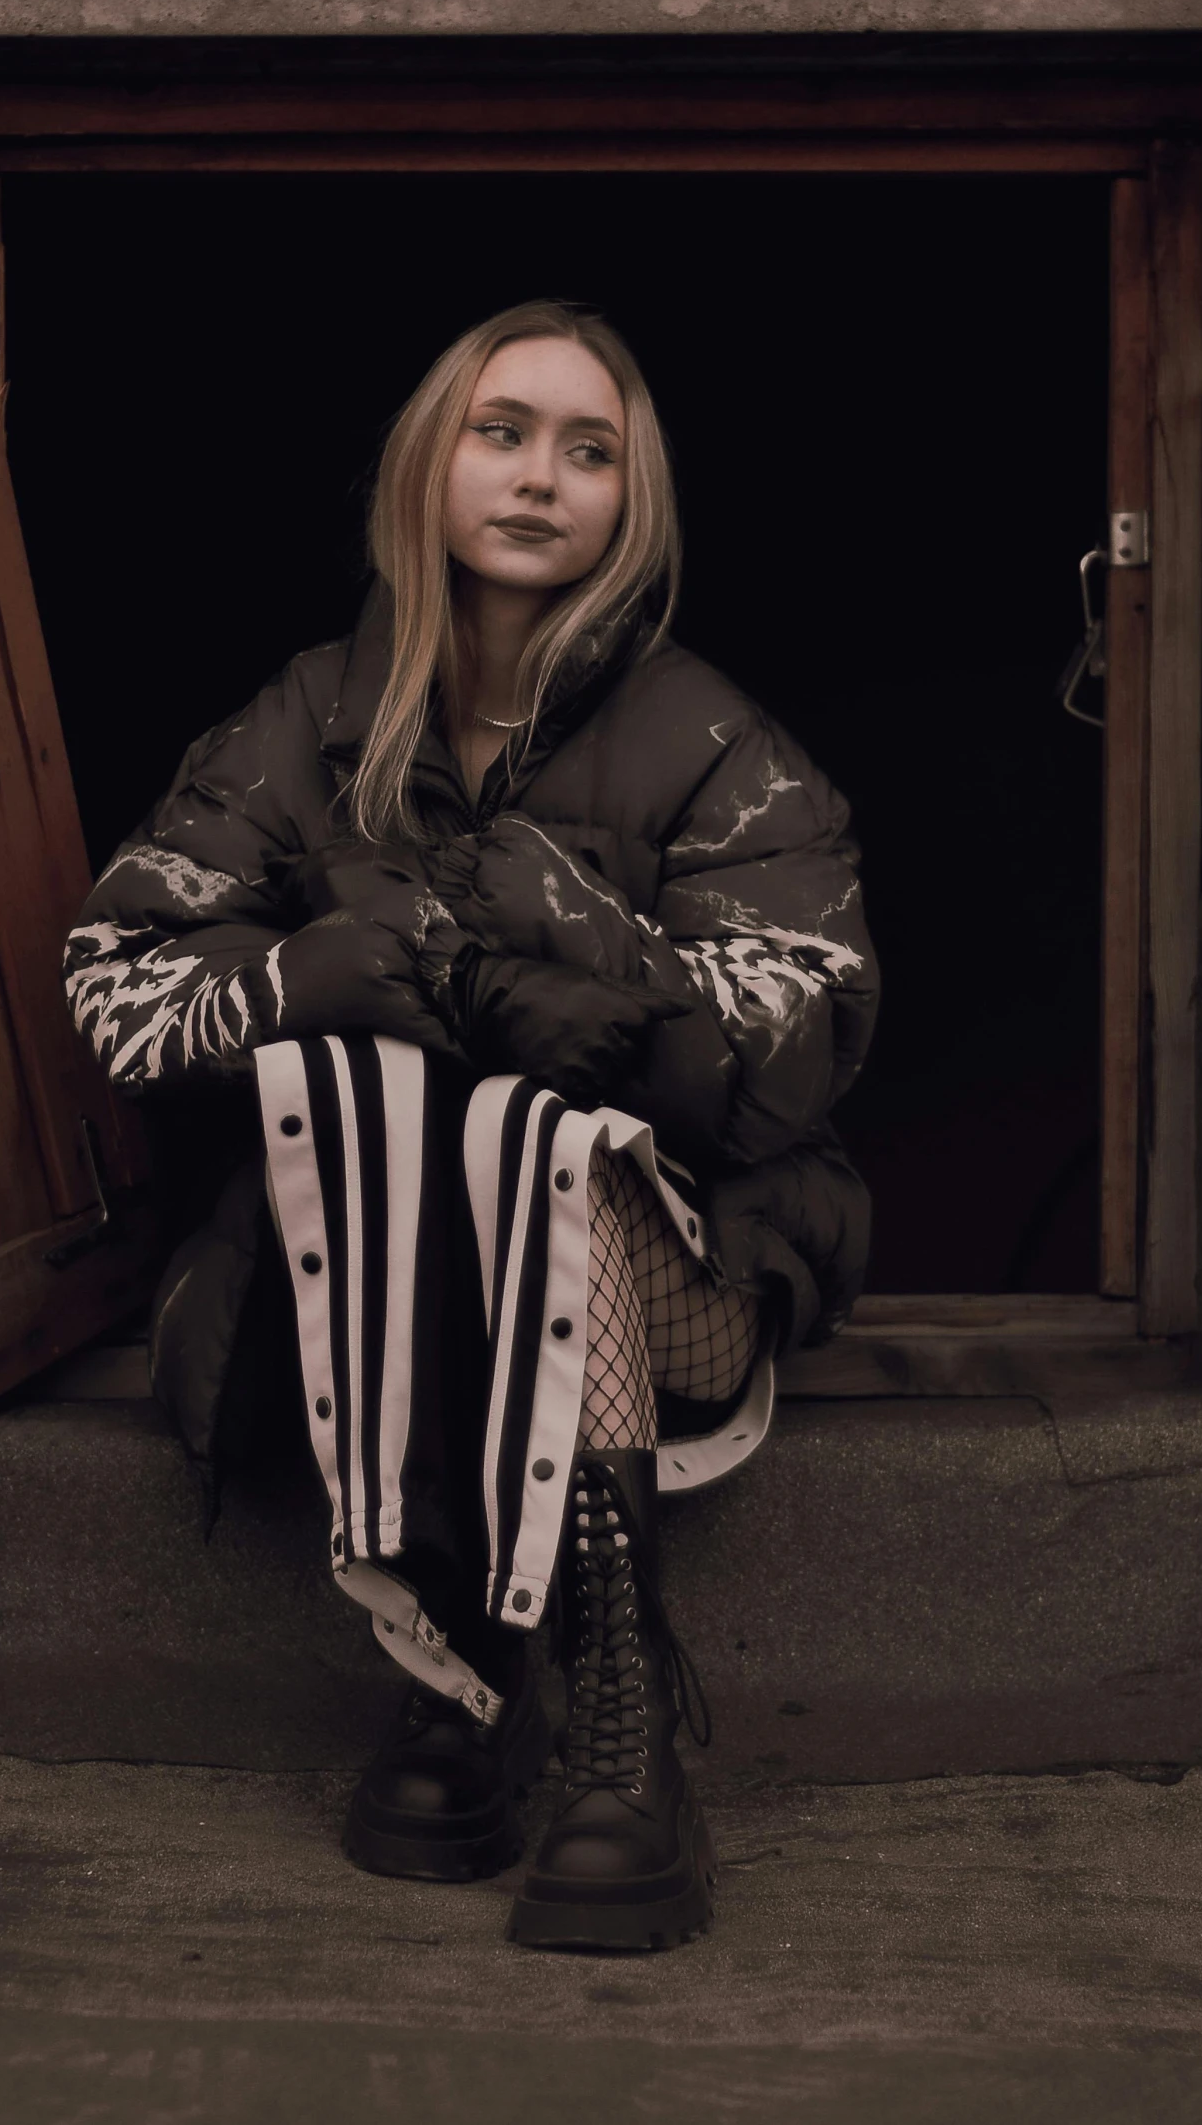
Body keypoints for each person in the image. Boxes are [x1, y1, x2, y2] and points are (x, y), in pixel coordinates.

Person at [63, 300, 878, 1952]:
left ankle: (614, 1714)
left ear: (631, 502)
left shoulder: (713, 736)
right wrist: (328, 970)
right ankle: (456, 1671)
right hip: (398, 1275)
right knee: (407, 1110)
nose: (538, 478)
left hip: (675, 1259)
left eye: (592, 450)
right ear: (427, 468)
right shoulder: (305, 718)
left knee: (548, 1157)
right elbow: (117, 976)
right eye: (500, 431)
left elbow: (809, 1031)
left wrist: (609, 993)